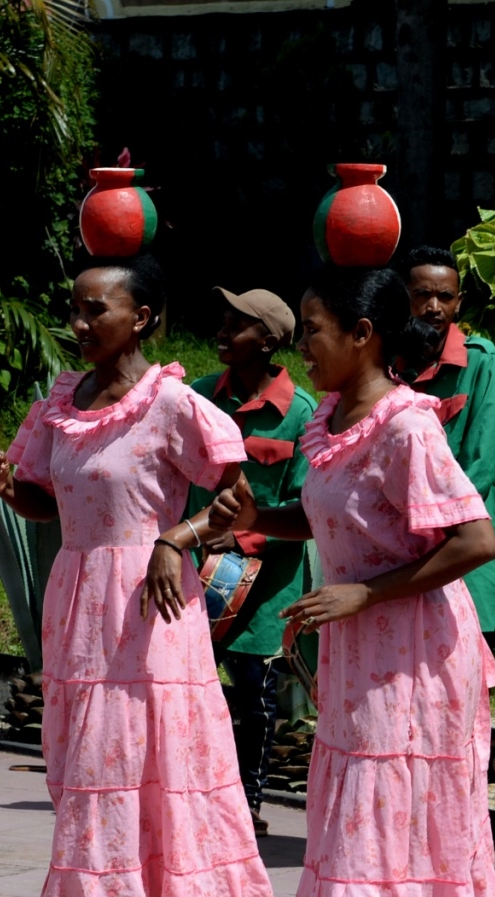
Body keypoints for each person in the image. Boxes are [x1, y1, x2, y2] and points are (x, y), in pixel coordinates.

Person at [210, 267, 495, 897]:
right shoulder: (330, 427)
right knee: (359, 834)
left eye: (315, 327)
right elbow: (322, 521)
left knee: (405, 836)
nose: (301, 343)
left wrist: (366, 593)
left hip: (416, 658)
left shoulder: (407, 429)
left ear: (364, 336)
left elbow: (476, 539)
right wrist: (246, 517)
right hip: (360, 658)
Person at [0, 255, 274, 897]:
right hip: (78, 596)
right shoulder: (60, 401)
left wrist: (178, 537)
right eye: (73, 310)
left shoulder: (171, 403)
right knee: (91, 761)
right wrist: (9, 487)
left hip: (150, 601)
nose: (78, 324)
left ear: (141, 318)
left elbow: (239, 502)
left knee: (143, 760)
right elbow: (51, 503)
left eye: (94, 311)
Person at [186, 288, 316, 837]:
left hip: (268, 582)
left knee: (255, 697)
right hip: (196, 570)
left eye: (236, 324)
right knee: (191, 687)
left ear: (268, 342)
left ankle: (246, 802)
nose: (221, 331)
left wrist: (240, 540)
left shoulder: (302, 414)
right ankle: (196, 794)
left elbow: (307, 507)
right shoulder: (195, 397)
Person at [400, 246, 495, 653]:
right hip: (403, 558)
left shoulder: (482, 363)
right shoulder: (391, 367)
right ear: (403, 297)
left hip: (464, 554)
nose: (434, 307)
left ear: (459, 302)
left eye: (445, 297)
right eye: (422, 296)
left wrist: (416, 524)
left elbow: (481, 468)